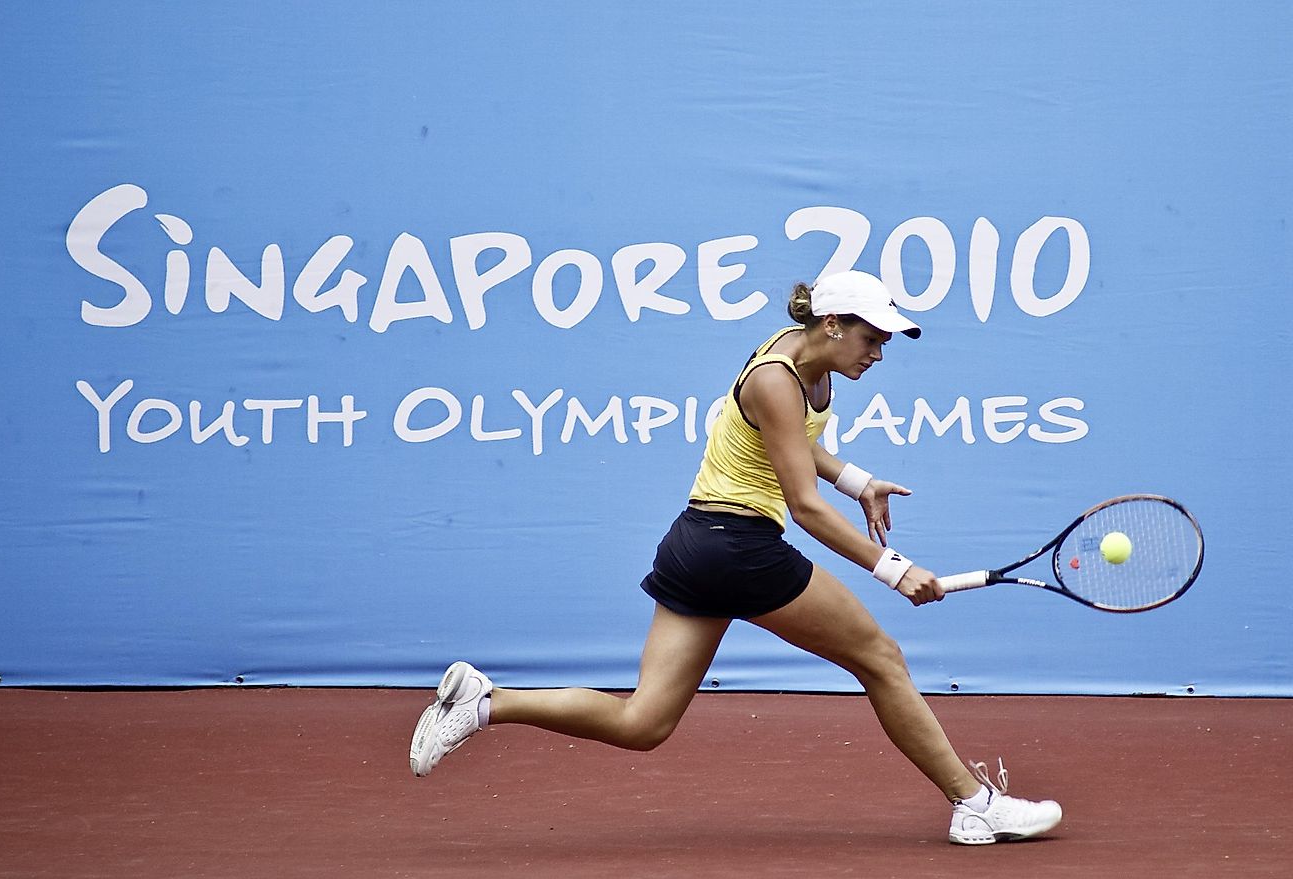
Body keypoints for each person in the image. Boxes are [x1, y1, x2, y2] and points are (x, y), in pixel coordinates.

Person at [409, 270, 1062, 845]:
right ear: (832, 324)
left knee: (644, 720)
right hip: (738, 547)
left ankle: (484, 702)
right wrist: (892, 568)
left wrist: (860, 481)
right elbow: (802, 506)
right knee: (881, 658)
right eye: (872, 337)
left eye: (886, 340)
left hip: (695, 545)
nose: (880, 352)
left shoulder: (802, 361)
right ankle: (976, 805)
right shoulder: (777, 380)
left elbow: (793, 448)